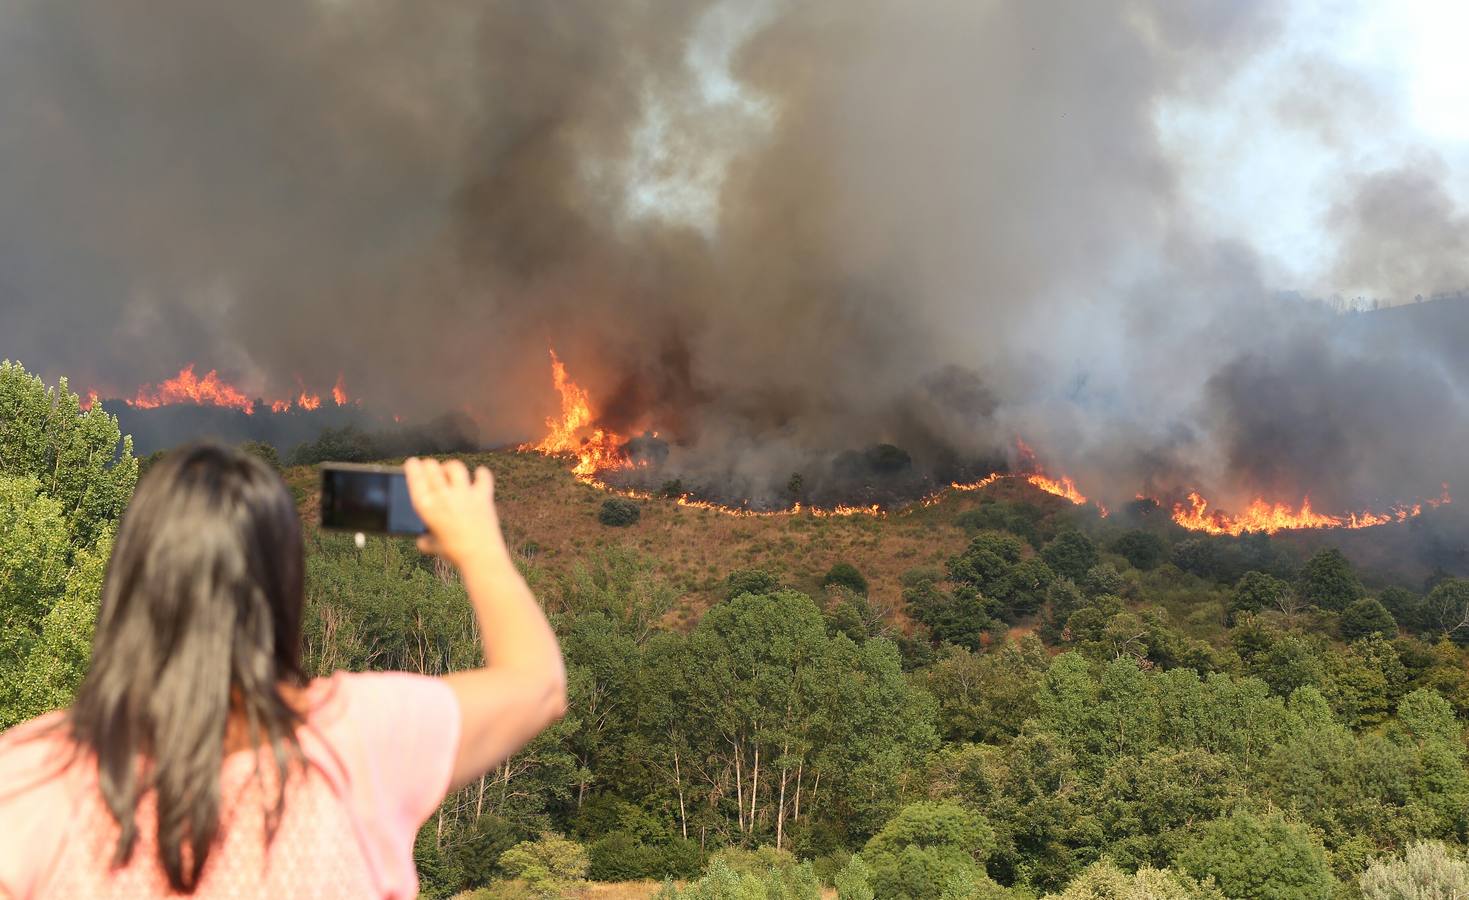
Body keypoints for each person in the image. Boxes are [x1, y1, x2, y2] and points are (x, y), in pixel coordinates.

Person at [0, 445, 566, 898]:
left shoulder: (28, 777)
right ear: (283, 588)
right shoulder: (355, 740)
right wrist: (479, 547)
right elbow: (538, 684)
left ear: (127, 583)